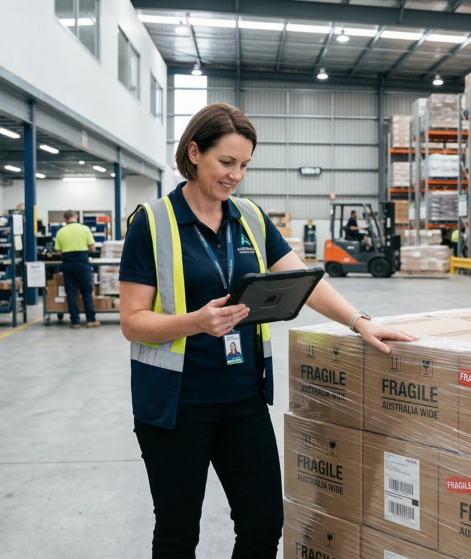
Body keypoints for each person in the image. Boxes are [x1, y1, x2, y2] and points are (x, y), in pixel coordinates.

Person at [118, 102, 417, 559]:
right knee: (178, 532)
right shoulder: (153, 223)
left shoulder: (250, 218)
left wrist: (360, 322)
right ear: (194, 153)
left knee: (263, 523)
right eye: (226, 162)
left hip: (243, 398)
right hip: (176, 407)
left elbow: (307, 280)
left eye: (244, 165)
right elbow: (132, 322)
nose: (235, 175)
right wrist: (196, 322)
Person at [54, 210, 100, 328]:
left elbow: (58, 251)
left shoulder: (61, 232)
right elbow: (93, 248)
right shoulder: (85, 229)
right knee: (86, 292)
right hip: (82, 264)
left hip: (68, 265)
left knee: (71, 293)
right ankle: (90, 320)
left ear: (65, 219)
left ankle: (75, 321)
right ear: (76, 217)